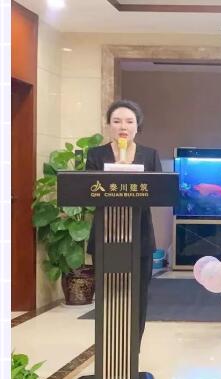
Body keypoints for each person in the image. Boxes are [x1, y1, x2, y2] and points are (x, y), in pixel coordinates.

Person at [86, 99, 162, 344]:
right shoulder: (96, 155)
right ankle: (109, 347)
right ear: (109, 125)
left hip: (140, 237)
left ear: (137, 126)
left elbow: (160, 193)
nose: (123, 127)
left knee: (138, 296)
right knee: (108, 295)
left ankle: (133, 350)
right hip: (106, 237)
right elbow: (87, 192)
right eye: (117, 121)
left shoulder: (149, 155)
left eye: (129, 121)